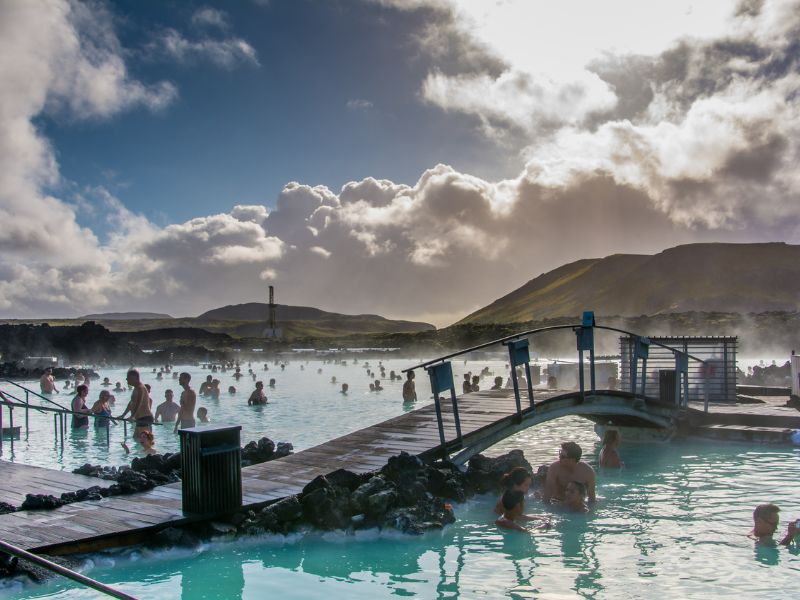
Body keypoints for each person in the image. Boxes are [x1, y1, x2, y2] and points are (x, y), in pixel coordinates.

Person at [118, 369, 153, 439]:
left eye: (128, 378)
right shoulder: (136, 388)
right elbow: (131, 403)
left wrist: (133, 416)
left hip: (145, 418)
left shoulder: (141, 388)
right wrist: (123, 415)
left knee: (144, 442)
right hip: (140, 418)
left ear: (134, 378)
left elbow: (139, 403)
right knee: (136, 439)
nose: (127, 380)